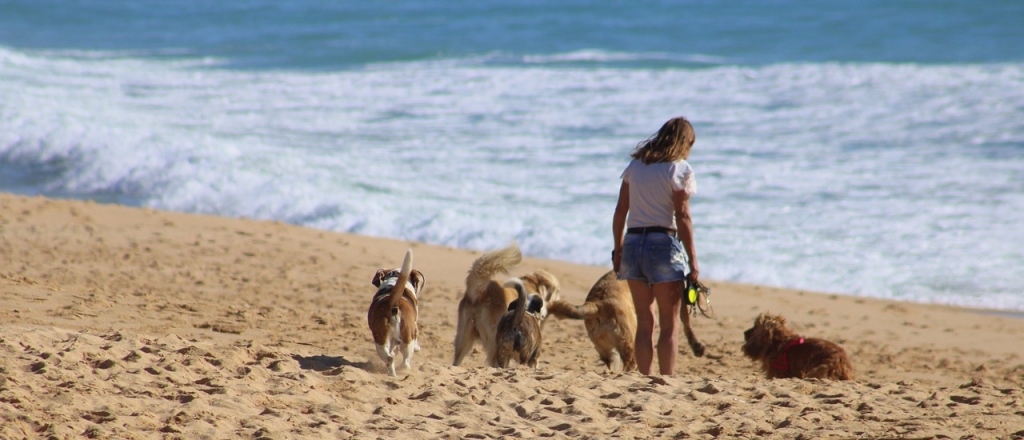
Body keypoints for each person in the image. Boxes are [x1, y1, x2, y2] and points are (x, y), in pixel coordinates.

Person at [612, 116, 700, 375]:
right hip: (662, 244)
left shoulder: (635, 166)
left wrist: (617, 251)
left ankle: (643, 379)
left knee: (644, 322)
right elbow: (682, 216)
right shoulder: (679, 169)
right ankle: (666, 380)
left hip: (633, 244)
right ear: (685, 142)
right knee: (669, 325)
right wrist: (693, 261)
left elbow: (620, 211)